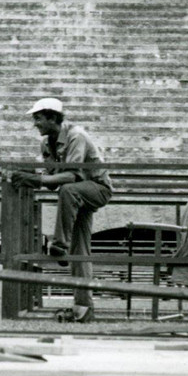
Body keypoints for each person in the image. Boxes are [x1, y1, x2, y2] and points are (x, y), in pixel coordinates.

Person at [10, 96, 113, 323]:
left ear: (53, 117)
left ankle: (59, 245)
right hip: (76, 195)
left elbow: (70, 176)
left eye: (38, 118)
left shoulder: (77, 136)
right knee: (81, 251)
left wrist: (34, 179)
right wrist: (33, 178)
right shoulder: (45, 143)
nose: (34, 124)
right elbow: (53, 180)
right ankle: (84, 308)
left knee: (68, 190)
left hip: (97, 189)